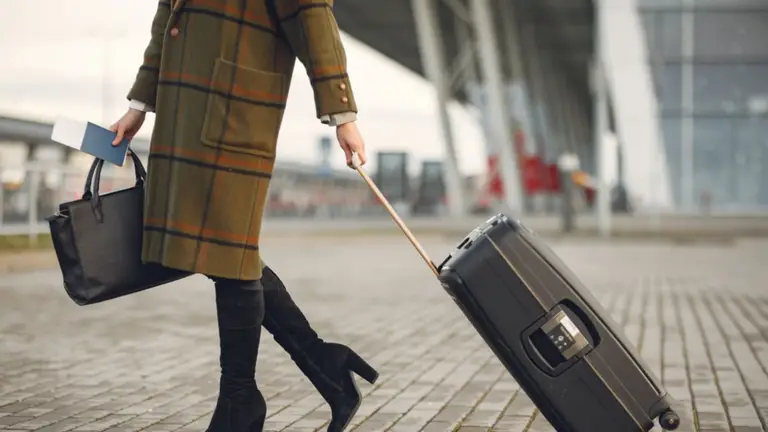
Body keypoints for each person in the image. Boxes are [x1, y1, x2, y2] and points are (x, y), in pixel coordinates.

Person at [110, 1, 377, 431]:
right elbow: (167, 17)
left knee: (231, 255)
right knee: (227, 254)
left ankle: (241, 399)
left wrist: (343, 114)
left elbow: (312, 14)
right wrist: (139, 103)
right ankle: (321, 364)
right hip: (183, 113)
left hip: (236, 109)